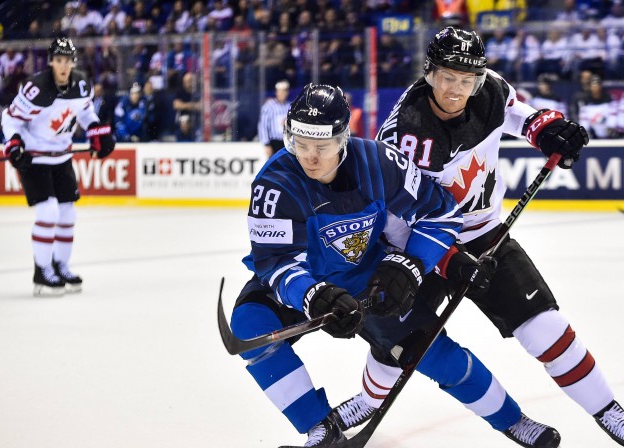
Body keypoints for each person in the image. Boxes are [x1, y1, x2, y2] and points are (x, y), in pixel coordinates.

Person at [335, 27, 624, 448]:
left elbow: (520, 114)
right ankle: (367, 400)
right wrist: (441, 259)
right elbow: (395, 215)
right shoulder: (403, 134)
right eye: (448, 77)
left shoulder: (491, 91)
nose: (457, 90)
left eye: (467, 81)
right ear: (429, 73)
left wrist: (549, 130)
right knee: (398, 342)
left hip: (486, 237)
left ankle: (608, 409)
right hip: (419, 249)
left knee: (545, 327)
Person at [230, 84, 561, 447]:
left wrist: (409, 264)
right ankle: (321, 429)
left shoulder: (379, 162)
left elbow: (441, 213)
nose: (310, 157)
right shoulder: (274, 183)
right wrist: (313, 294)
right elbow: (275, 261)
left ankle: (514, 421)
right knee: (249, 327)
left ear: (343, 139)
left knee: (431, 353)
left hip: (367, 278)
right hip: (307, 281)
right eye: (300, 144)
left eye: (322, 147)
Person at [0, 37, 115, 296]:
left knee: (67, 214)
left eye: (68, 60)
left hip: (61, 156)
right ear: (51, 61)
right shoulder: (36, 88)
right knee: (48, 212)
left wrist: (97, 131)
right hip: (34, 159)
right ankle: (42, 271)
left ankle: (60, 265)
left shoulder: (82, 84)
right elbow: (10, 118)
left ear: (73, 62)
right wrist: (13, 143)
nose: (63, 66)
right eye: (59, 60)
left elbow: (85, 113)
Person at [258, 79, 291, 157]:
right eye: (280, 91)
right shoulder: (269, 106)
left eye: (284, 91)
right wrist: (266, 144)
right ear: (276, 92)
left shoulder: (290, 106)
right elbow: (263, 125)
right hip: (274, 142)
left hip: (287, 142)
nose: (282, 93)